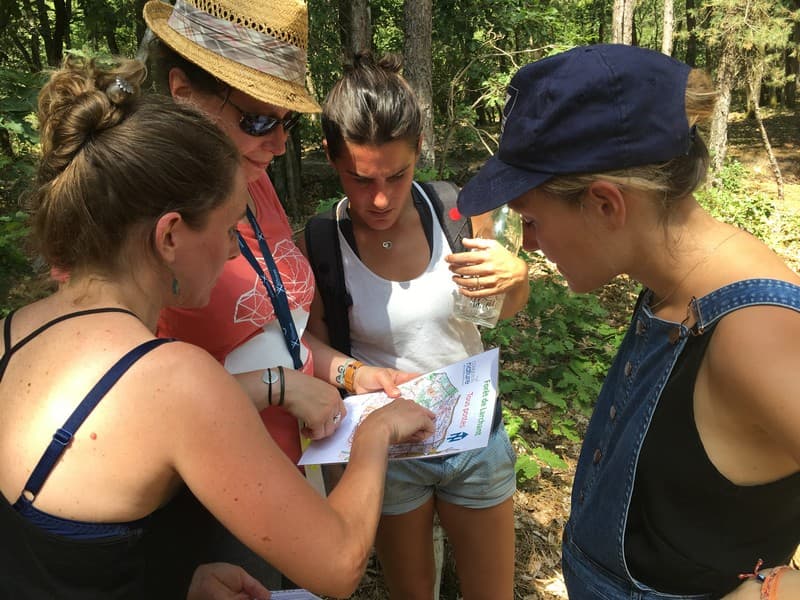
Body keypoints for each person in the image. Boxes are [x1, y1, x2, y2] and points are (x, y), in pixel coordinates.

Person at [0, 55, 434, 599]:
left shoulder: (15, 331)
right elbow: (342, 562)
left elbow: (59, 558)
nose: (236, 247)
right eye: (230, 228)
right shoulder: (175, 377)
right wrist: (375, 433)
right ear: (170, 238)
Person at [455, 44, 800, 600]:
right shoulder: (672, 288)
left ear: (605, 205)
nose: (533, 244)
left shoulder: (758, 333)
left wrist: (778, 591)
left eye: (535, 221)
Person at [141, 0, 421, 588]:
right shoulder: (136, 217)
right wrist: (276, 387)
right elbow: (129, 403)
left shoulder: (255, 184)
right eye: (259, 121)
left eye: (285, 122)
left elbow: (280, 330)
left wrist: (348, 374)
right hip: (215, 495)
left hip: (295, 461)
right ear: (183, 93)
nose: (276, 145)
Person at [301, 52, 530, 600]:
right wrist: (356, 374)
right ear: (332, 159)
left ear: (419, 148)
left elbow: (503, 308)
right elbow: (309, 342)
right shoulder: (320, 243)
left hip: (474, 437)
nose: (379, 198)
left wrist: (517, 278)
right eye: (361, 179)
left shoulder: (452, 208)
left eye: (397, 175)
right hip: (388, 450)